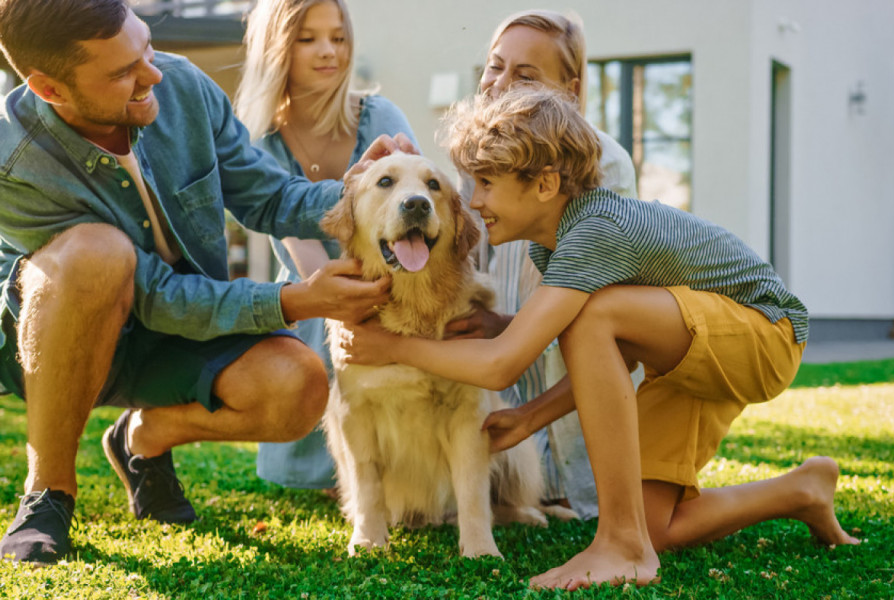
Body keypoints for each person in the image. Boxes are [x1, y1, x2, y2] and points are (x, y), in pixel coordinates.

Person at [340, 87, 859, 590]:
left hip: (766, 331)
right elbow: (613, 356)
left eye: (487, 184)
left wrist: (391, 348)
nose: (474, 203)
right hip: (692, 359)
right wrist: (529, 415)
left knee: (594, 315)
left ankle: (620, 545)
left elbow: (503, 366)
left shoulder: (593, 231)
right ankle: (801, 489)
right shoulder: (556, 247)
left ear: (544, 185)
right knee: (659, 527)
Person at [0, 0, 412, 565]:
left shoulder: (181, 86)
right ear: (50, 89)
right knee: (97, 254)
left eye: (145, 47)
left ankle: (143, 437)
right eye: (124, 72)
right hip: (66, 338)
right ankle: (48, 492)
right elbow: (153, 296)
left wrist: (363, 191)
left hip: (178, 335)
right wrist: (294, 299)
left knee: (299, 386)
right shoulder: (13, 161)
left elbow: (268, 196)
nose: (154, 74)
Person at [447, 9, 637, 517]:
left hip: (565, 396)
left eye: (526, 76)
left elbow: (593, 323)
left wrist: (507, 331)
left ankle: (560, 485)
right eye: (494, 67)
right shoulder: (474, 161)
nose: (500, 85)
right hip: (504, 394)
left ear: (571, 92)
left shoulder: (603, 166)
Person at [233, 0, 417, 493]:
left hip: (393, 281)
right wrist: (341, 304)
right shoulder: (258, 142)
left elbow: (412, 220)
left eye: (338, 37)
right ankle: (329, 464)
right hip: (311, 293)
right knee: (319, 314)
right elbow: (306, 258)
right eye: (308, 38)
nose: (328, 52)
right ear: (277, 47)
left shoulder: (379, 115)